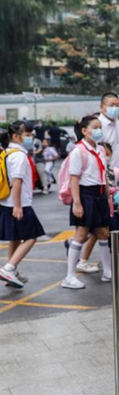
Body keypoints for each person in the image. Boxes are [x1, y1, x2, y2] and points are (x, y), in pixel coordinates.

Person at [62, 115, 113, 289]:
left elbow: (104, 174)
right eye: (95, 127)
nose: (99, 130)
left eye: (100, 127)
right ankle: (69, 276)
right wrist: (77, 202)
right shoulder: (78, 151)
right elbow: (74, 178)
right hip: (85, 194)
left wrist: (107, 196)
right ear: (84, 131)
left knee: (104, 232)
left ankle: (107, 271)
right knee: (81, 234)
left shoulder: (99, 149)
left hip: (99, 194)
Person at [0, 122, 45, 288]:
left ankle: (12, 272)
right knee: (31, 237)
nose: (31, 137)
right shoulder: (19, 156)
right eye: (27, 134)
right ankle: (9, 268)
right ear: (16, 137)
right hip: (19, 203)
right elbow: (17, 182)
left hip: (6, 201)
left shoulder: (7, 152)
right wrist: (18, 206)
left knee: (15, 237)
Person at [99, 92, 119, 171]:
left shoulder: (117, 123)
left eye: (117, 106)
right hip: (108, 174)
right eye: (111, 105)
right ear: (101, 107)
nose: (115, 108)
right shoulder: (98, 126)